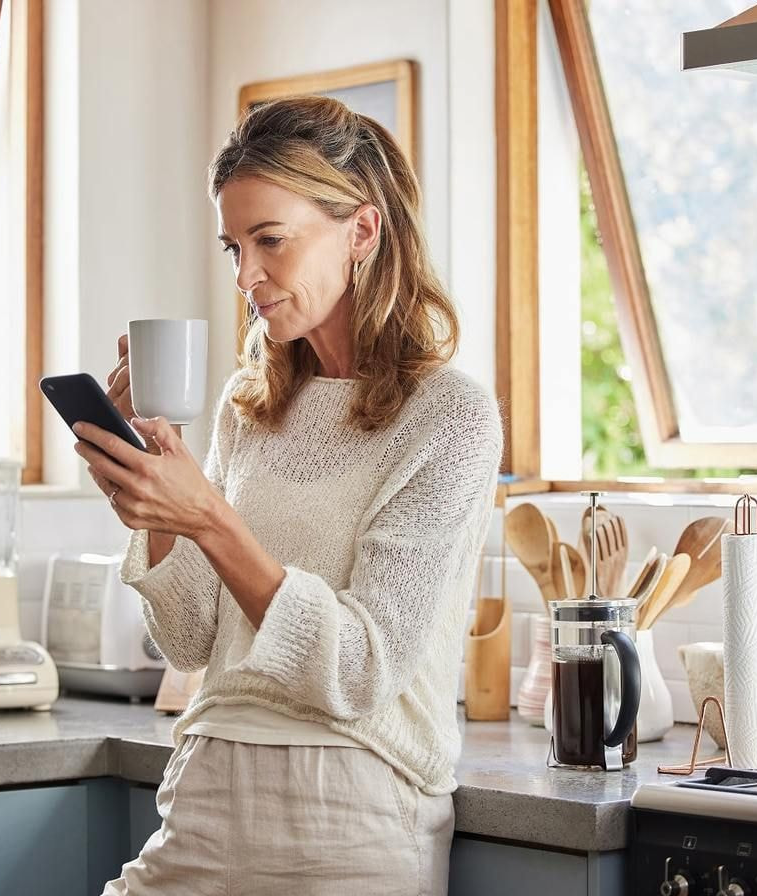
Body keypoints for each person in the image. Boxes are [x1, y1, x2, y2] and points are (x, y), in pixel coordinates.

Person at [72, 95, 502, 895]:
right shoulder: (251, 406)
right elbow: (192, 641)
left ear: (362, 230)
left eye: (270, 240)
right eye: (234, 247)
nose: (246, 275)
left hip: (350, 813)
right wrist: (154, 504)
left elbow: (358, 670)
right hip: (206, 793)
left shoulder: (449, 418)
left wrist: (207, 515)